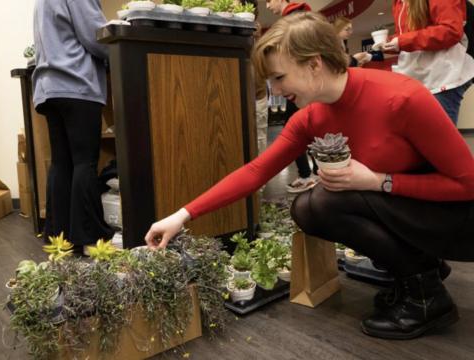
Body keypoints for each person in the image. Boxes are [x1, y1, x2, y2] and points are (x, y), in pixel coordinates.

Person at [145, 12, 474, 340]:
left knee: (327, 200)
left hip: (453, 217)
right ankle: (419, 273)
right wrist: (182, 215)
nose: (274, 88)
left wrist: (379, 180)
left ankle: (428, 297)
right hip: (406, 210)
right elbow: (256, 171)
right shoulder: (311, 117)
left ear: (314, 64)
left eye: (278, 77)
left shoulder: (402, 97)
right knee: (311, 206)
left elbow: (468, 184)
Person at [32, 0, 114, 253]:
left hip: (49, 86)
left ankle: (59, 236)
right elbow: (95, 36)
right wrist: (120, 50)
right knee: (84, 162)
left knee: (62, 163)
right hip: (76, 84)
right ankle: (89, 236)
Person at [382, 0, 474, 125]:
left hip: (443, 73)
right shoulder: (398, 2)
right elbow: (408, 35)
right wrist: (391, 43)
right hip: (418, 74)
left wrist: (402, 42)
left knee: (440, 137)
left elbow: (451, 30)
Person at [266, 0, 318, 193]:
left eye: (269, 1)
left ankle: (309, 174)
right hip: (303, 87)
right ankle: (312, 173)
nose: (268, 6)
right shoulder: (300, 14)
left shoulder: (293, 19)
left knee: (299, 131)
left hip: (301, 88)